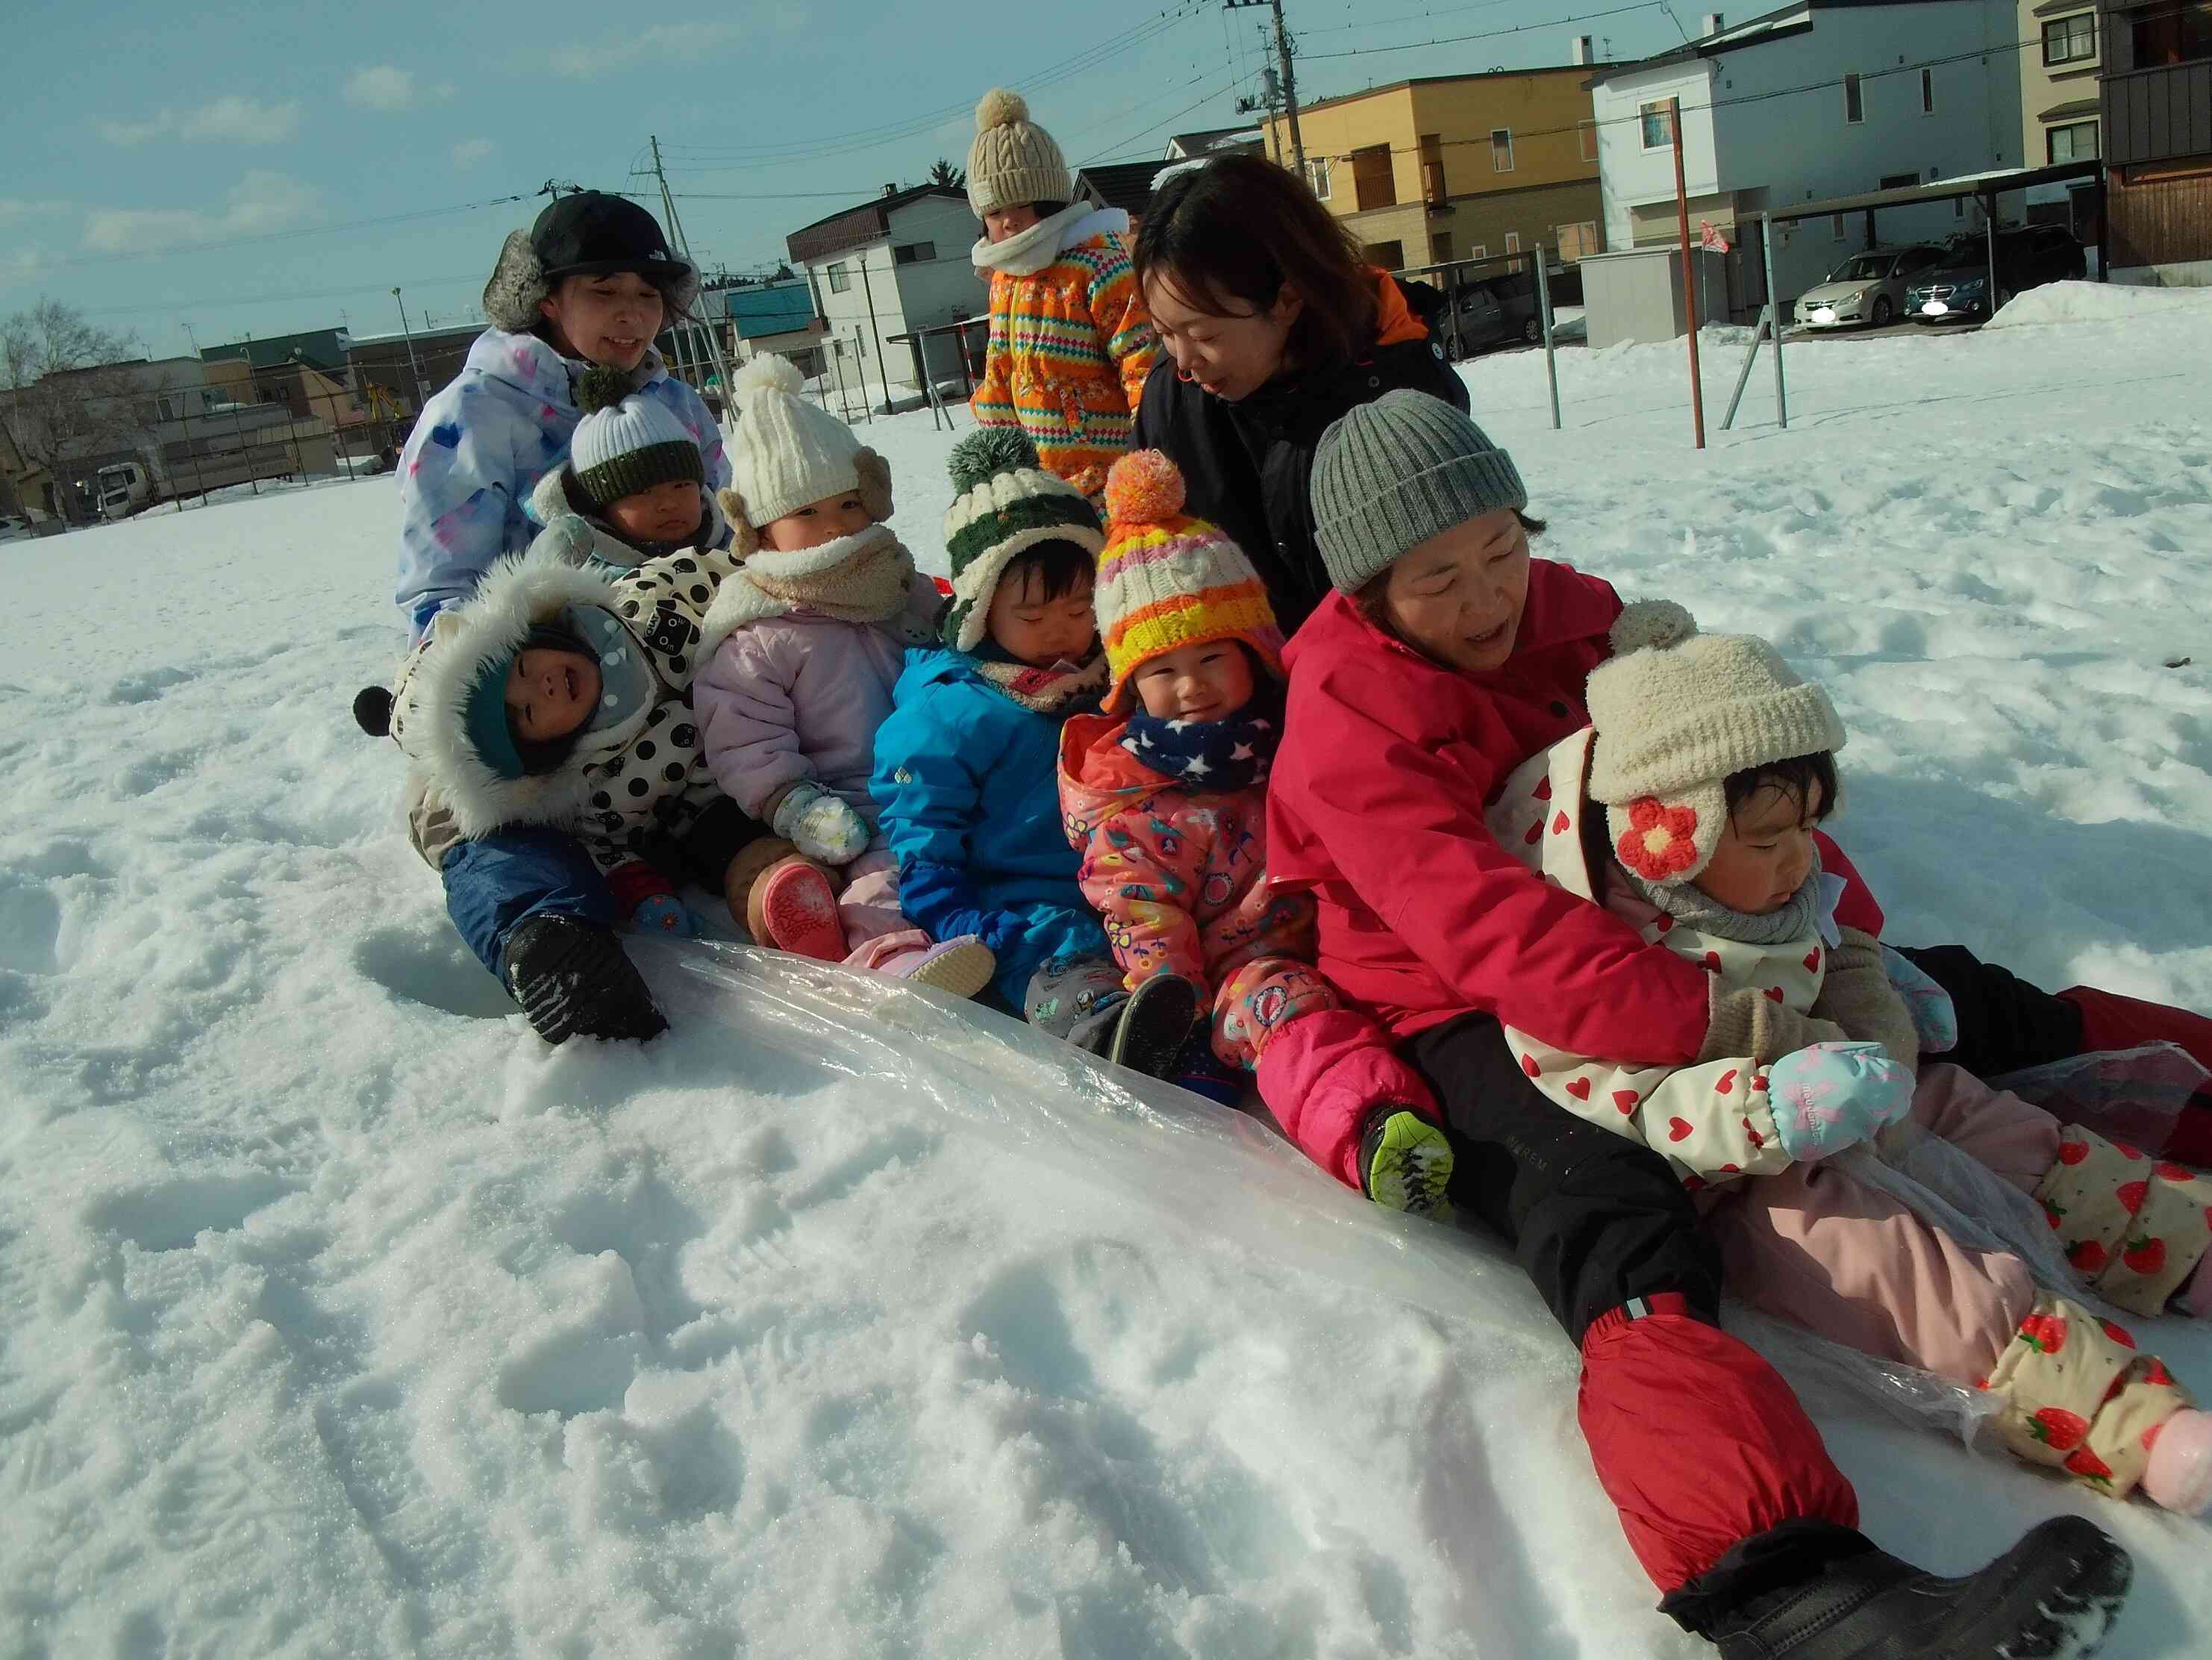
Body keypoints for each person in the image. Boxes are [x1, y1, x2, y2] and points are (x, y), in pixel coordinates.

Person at [1267, 388, 2137, 1653]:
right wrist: (1727, 1024)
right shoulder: (1347, 721)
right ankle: (1791, 1588)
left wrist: (1844, 946)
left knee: (1966, 1002)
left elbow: (1724, 766)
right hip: (1457, 999)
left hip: (1656, 920)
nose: (1484, 596)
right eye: (1437, 577)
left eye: (1500, 548)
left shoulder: (1586, 625)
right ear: (1364, 594)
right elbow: (1486, 931)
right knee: (1605, 1200)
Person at [1487, 606, 2212, 1513]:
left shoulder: (1770, 872)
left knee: (1989, 1119)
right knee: (1893, 1268)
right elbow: (1614, 1094)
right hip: (1744, 1181)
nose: (1800, 859)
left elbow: (1841, 937)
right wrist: (1767, 1110)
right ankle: (2119, 1416)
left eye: (1810, 827)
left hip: (1849, 1086)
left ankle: (2178, 1236)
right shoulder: (1596, 949)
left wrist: (1879, 1003)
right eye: (1768, 841)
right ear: (1674, 831)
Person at [1055, 449, 1451, 1212]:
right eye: (1163, 669)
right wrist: (1177, 1004)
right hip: (1245, 967)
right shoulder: (1134, 797)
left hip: (1354, 933)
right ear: (1129, 686)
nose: (1193, 684)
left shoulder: (1298, 732)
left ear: (1256, 656)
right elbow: (1141, 909)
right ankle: (1374, 1129)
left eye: (1214, 657)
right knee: (1294, 1013)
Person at [388, 190, 740, 1043]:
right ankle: (550, 940)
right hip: (552, 694)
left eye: (647, 297)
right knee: (462, 806)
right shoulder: (473, 417)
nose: (631, 317)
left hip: (683, 671)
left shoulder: (677, 404)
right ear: (548, 298)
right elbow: (442, 598)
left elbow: (732, 525)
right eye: (604, 293)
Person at [360, 384, 751, 1017]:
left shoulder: (713, 549)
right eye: (641, 493)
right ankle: (551, 944)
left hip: (724, 759)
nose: (668, 506)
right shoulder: (485, 427)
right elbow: (451, 600)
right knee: (467, 819)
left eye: (679, 485)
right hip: (496, 724)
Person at [871, 429, 1202, 1075]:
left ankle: (1208, 1026)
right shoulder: (954, 709)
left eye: (1081, 607)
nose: (1062, 629)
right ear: (979, 611)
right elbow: (921, 820)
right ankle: (1105, 1032)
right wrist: (951, 908)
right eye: (1033, 614)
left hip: (1134, 874)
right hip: (1021, 899)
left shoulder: (1114, 678)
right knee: (1058, 952)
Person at [693, 352, 993, 996]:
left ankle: (1013, 934)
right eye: (807, 513)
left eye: (849, 503)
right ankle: (888, 956)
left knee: (997, 841)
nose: (835, 526)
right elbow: (745, 738)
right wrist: (796, 803)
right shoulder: (757, 632)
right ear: (762, 531)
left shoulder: (903, 586)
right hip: (855, 796)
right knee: (880, 872)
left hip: (946, 771)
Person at [1129, 155, 1469, 631]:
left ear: (1288, 299)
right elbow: (1147, 577)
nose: (1184, 361)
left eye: (1203, 334)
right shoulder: (1171, 400)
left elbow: (1454, 589)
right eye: (1165, 333)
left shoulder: (1395, 392)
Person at [964, 89, 1157, 499]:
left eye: (1023, 204)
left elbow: (1139, 361)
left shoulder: (1096, 265)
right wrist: (997, 461)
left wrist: (1146, 450)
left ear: (1050, 201)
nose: (1010, 222)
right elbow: (1000, 370)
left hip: (1109, 475)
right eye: (996, 211)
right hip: (1039, 483)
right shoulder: (1004, 280)